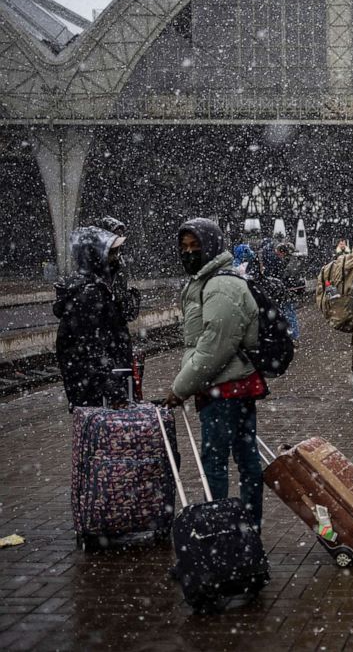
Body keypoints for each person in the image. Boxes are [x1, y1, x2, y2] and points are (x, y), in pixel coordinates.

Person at [163, 218, 267, 531]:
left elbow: (213, 349)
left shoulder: (220, 285)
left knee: (219, 464)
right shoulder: (209, 280)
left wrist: (179, 388)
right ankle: (245, 531)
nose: (189, 253)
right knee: (244, 461)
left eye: (196, 246)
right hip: (230, 389)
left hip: (225, 391)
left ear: (212, 246)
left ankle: (223, 536)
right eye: (185, 247)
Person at [54, 227, 134, 409]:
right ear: (95, 256)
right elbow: (93, 350)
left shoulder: (94, 289)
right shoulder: (90, 295)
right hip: (98, 394)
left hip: (97, 389)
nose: (117, 259)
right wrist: (115, 392)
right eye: (112, 253)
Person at [93, 216, 141, 322]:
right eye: (116, 235)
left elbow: (119, 292)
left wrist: (129, 299)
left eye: (120, 235)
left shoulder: (119, 261)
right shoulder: (94, 263)